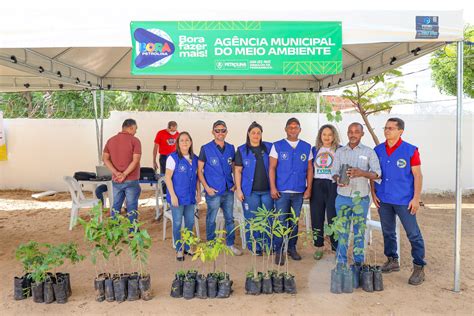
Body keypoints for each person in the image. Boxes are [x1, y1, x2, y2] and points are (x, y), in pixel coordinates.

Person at [372, 118, 426, 285]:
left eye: (391, 128)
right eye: (385, 128)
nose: (387, 131)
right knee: (388, 232)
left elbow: (418, 175)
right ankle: (392, 260)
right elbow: (373, 173)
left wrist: (416, 198)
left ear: (400, 131)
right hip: (384, 199)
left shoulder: (410, 150)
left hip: (404, 200)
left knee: (413, 234)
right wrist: (373, 192)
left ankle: (418, 267)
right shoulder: (378, 150)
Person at [331, 122, 381, 267]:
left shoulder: (369, 152)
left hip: (361, 199)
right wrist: (338, 179)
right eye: (350, 131)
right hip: (342, 197)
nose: (353, 134)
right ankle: (341, 260)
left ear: (362, 134)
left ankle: (358, 262)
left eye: (356, 132)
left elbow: (377, 173)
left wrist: (361, 173)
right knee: (342, 231)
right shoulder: (340, 152)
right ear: (347, 133)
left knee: (360, 230)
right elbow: (333, 172)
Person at [269, 117, 313, 265]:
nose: (293, 130)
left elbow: (309, 169)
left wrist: (309, 188)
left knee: (294, 222)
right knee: (281, 221)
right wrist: (273, 187)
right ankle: (279, 250)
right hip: (281, 191)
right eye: (290, 127)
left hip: (299, 191)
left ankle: (292, 248)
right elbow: (272, 168)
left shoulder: (306, 147)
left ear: (300, 130)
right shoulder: (277, 146)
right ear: (286, 129)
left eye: (296, 127)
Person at [197, 120, 242, 256]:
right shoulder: (205, 148)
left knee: (229, 219)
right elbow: (199, 170)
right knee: (211, 219)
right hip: (213, 191)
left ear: (226, 132)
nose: (220, 133)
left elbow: (234, 167)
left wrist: (235, 184)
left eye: (223, 130)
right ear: (213, 132)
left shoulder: (230, 148)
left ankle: (230, 244)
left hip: (228, 190)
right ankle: (211, 245)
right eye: (217, 130)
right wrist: (206, 187)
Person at [234, 122, 274, 254]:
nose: (256, 135)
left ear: (262, 134)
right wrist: (239, 190)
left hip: (267, 191)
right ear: (248, 134)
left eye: (258, 133)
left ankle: (268, 245)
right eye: (253, 132)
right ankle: (254, 246)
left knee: (268, 218)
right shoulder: (241, 150)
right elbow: (238, 171)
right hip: (250, 192)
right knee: (251, 219)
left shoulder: (269, 147)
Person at [165, 132, 201, 261]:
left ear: (191, 142)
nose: (185, 142)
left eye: (187, 140)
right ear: (178, 143)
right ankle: (179, 248)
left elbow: (197, 178)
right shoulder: (172, 158)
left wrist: (198, 192)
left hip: (190, 197)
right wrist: (173, 195)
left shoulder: (195, 159)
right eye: (182, 140)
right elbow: (167, 177)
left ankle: (188, 246)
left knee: (190, 222)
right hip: (178, 197)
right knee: (178, 223)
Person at [310, 124, 341, 260]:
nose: (327, 137)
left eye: (329, 134)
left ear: (334, 136)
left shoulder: (340, 149)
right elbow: (310, 170)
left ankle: (336, 248)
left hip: (333, 185)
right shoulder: (315, 149)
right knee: (316, 216)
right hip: (317, 184)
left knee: (333, 217)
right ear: (320, 136)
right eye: (324, 134)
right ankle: (318, 246)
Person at [103, 119, 142, 224]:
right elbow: (136, 160)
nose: (135, 132)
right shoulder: (135, 141)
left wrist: (116, 173)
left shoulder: (110, 140)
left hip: (116, 180)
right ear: (130, 128)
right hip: (131, 179)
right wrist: (124, 174)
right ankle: (132, 230)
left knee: (116, 205)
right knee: (132, 205)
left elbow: (105, 159)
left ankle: (115, 229)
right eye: (135, 129)